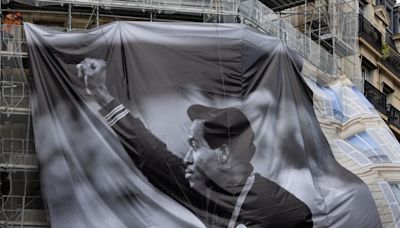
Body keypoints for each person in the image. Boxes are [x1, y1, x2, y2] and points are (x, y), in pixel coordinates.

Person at [77, 58, 313, 228]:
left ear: (222, 154)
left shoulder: (278, 209)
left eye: (195, 146)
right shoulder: (204, 187)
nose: (187, 158)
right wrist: (101, 94)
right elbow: (152, 156)